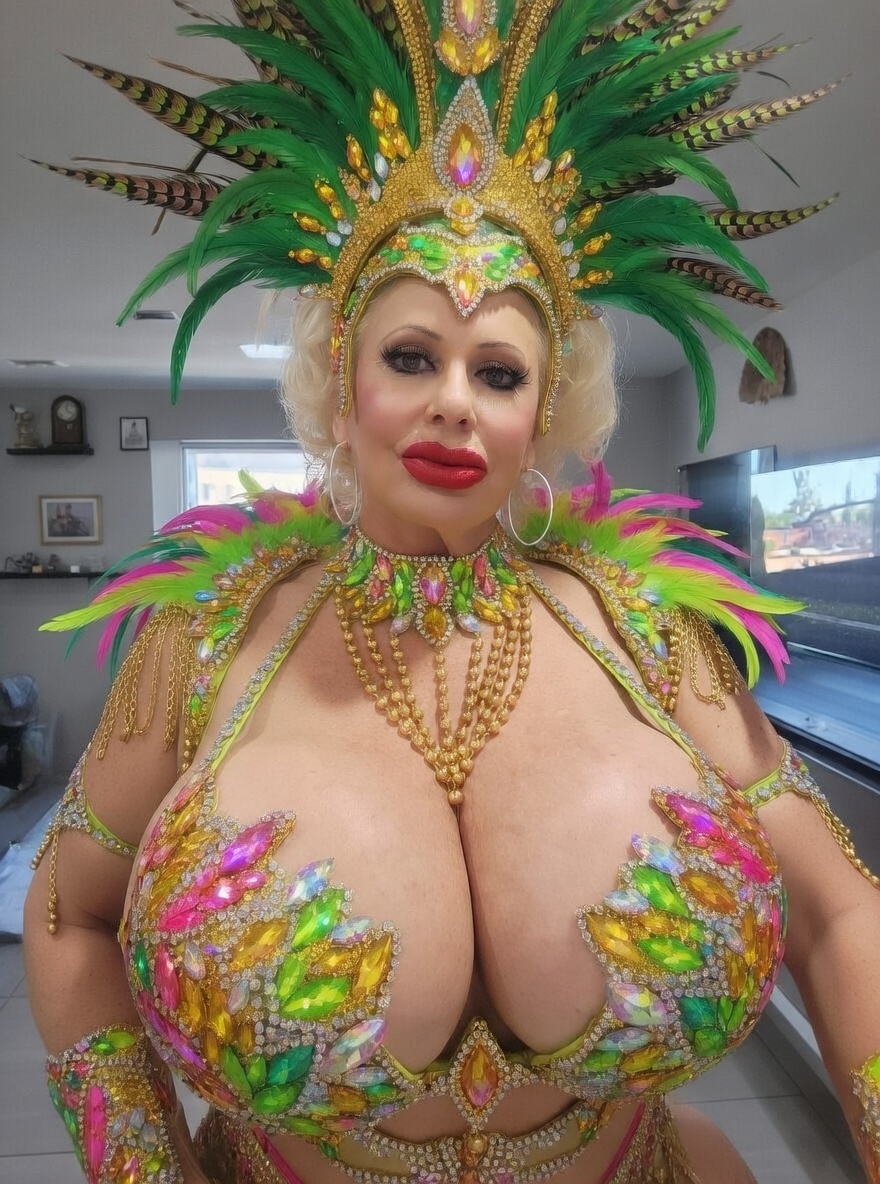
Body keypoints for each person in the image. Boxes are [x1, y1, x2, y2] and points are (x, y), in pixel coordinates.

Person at [23, 3, 880, 1183]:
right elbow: (67, 915)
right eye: (411, 356)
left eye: (500, 372)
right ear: (341, 391)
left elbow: (840, 909)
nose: (454, 401)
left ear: (543, 417)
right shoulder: (207, 637)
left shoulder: (646, 630)